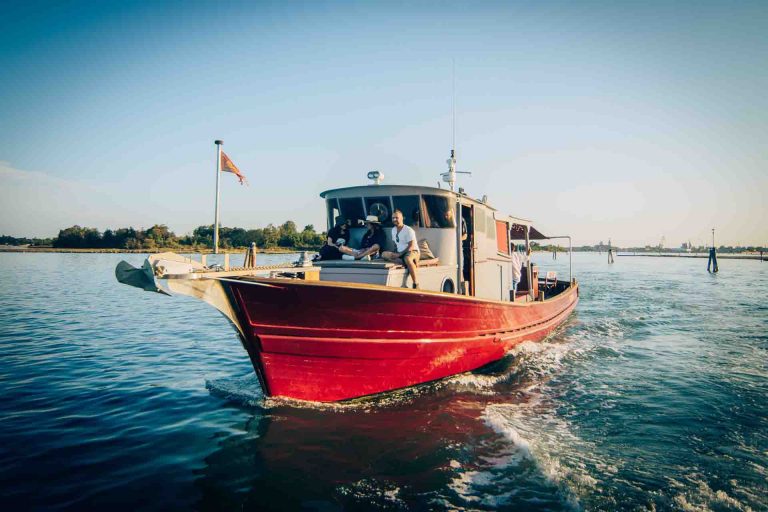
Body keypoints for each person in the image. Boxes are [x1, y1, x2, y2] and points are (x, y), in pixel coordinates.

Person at [382, 209, 420, 288]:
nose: (394, 220)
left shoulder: (408, 230)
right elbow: (396, 244)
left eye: (396, 218)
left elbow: (411, 246)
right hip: (400, 253)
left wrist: (399, 254)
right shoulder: (393, 230)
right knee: (384, 254)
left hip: (412, 251)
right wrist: (394, 253)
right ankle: (402, 261)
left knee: (408, 259)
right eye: (393, 218)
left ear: (402, 218)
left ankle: (415, 284)